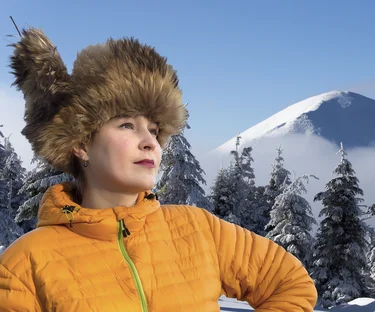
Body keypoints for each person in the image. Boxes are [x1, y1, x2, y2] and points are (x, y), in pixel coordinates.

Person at [0, 27, 317, 311]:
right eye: (127, 125)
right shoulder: (24, 266)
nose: (150, 142)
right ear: (81, 144)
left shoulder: (199, 230)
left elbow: (291, 282)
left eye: (154, 129)